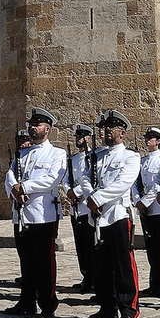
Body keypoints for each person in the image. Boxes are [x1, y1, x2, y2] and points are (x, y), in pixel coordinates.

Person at [6, 108, 67, 317]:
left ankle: (48, 304)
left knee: (44, 261)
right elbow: (10, 176)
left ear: (47, 129)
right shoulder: (22, 154)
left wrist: (24, 187)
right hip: (22, 214)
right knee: (26, 260)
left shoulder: (57, 154)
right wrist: (14, 191)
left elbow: (51, 179)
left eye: (37, 125)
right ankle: (27, 301)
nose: (32, 128)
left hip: (43, 213)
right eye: (31, 125)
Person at [86, 110, 142, 318]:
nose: (108, 130)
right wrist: (91, 197)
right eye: (106, 127)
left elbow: (123, 183)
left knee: (123, 264)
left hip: (117, 214)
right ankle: (107, 308)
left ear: (122, 133)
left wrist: (97, 198)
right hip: (97, 216)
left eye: (113, 127)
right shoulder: (97, 156)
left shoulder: (130, 156)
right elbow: (85, 179)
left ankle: (129, 309)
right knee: (101, 266)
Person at [135, 127, 160, 299]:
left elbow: (158, 185)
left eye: (151, 138)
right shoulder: (142, 161)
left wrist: (145, 202)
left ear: (158, 141)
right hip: (144, 209)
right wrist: (137, 201)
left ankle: (159, 285)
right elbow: (135, 183)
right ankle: (153, 283)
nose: (147, 141)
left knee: (158, 249)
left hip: (156, 208)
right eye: (146, 138)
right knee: (150, 248)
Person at [66, 122, 98, 292]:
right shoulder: (72, 160)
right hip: (76, 208)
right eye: (77, 136)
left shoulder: (93, 157)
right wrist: (68, 191)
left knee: (91, 245)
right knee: (80, 245)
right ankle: (86, 276)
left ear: (88, 138)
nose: (79, 139)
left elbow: (91, 180)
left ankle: (95, 277)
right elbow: (66, 179)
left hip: (87, 206)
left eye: (82, 136)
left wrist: (76, 192)